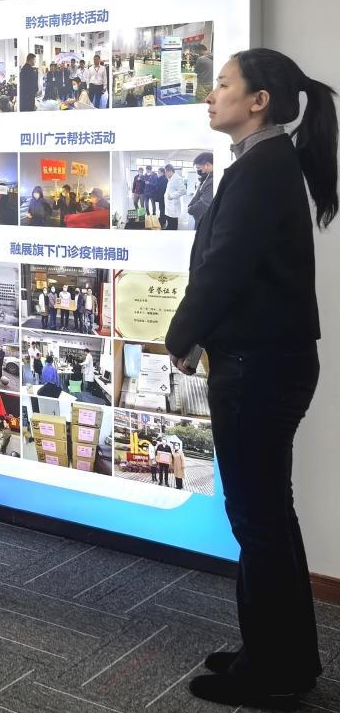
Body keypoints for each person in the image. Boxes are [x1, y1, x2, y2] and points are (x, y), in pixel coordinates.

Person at [165, 48, 337, 709]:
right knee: (268, 515)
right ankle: (283, 656)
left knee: (258, 520)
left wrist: (181, 336)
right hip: (266, 362)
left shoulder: (262, 168)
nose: (211, 96)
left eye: (223, 85)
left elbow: (224, 267)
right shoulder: (264, 163)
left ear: (259, 101)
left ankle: (272, 671)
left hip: (258, 367)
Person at [189, 151, 215, 224]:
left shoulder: (213, 180)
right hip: (199, 215)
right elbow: (199, 192)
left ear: (206, 165)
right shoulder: (208, 176)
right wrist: (191, 205)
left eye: (199, 168)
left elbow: (204, 203)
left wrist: (191, 209)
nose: (200, 171)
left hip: (204, 216)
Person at [162, 163, 187, 229]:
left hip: (173, 206)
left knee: (173, 223)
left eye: (166, 172)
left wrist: (172, 196)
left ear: (170, 171)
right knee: (169, 222)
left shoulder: (177, 178)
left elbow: (183, 191)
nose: (165, 174)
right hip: (169, 205)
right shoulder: (171, 178)